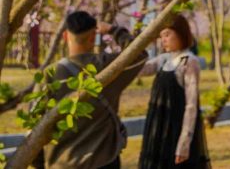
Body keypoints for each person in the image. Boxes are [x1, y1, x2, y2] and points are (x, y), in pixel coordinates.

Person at [34, 11, 146, 169]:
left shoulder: (50, 75)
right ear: (94, 37)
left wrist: (38, 164)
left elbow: (36, 124)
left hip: (62, 162)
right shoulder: (108, 66)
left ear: (66, 36)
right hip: (103, 160)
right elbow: (139, 53)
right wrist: (114, 30)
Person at [138, 14, 210, 169]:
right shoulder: (164, 59)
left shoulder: (189, 62)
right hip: (158, 129)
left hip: (175, 132)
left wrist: (184, 143)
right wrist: (144, 42)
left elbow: (191, 106)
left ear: (181, 33)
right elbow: (138, 70)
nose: (163, 40)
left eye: (167, 35)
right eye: (161, 36)